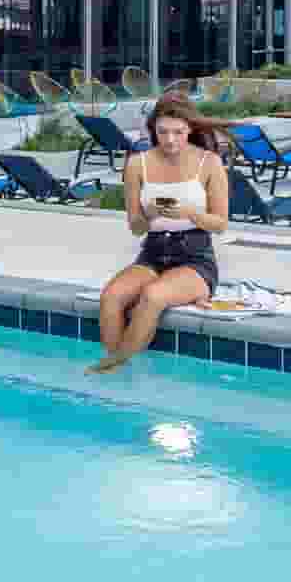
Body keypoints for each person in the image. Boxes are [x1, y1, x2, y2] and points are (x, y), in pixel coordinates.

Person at [88, 93, 229, 373]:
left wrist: (190, 214)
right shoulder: (137, 164)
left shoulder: (209, 162)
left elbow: (220, 223)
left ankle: (111, 366)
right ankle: (119, 367)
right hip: (153, 252)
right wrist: (150, 214)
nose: (170, 140)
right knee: (111, 297)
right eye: (163, 132)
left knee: (153, 296)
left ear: (190, 129)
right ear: (153, 130)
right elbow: (135, 227)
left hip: (194, 257)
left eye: (178, 132)